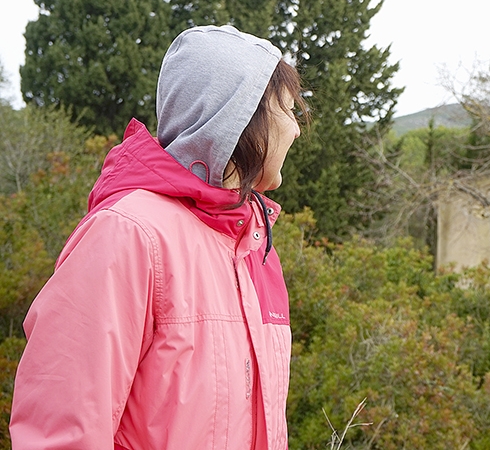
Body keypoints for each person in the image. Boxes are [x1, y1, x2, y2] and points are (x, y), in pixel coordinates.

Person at [9, 25, 307, 449]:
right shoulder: (127, 233)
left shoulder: (256, 245)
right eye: (286, 110)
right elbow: (61, 432)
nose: (295, 131)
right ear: (236, 115)